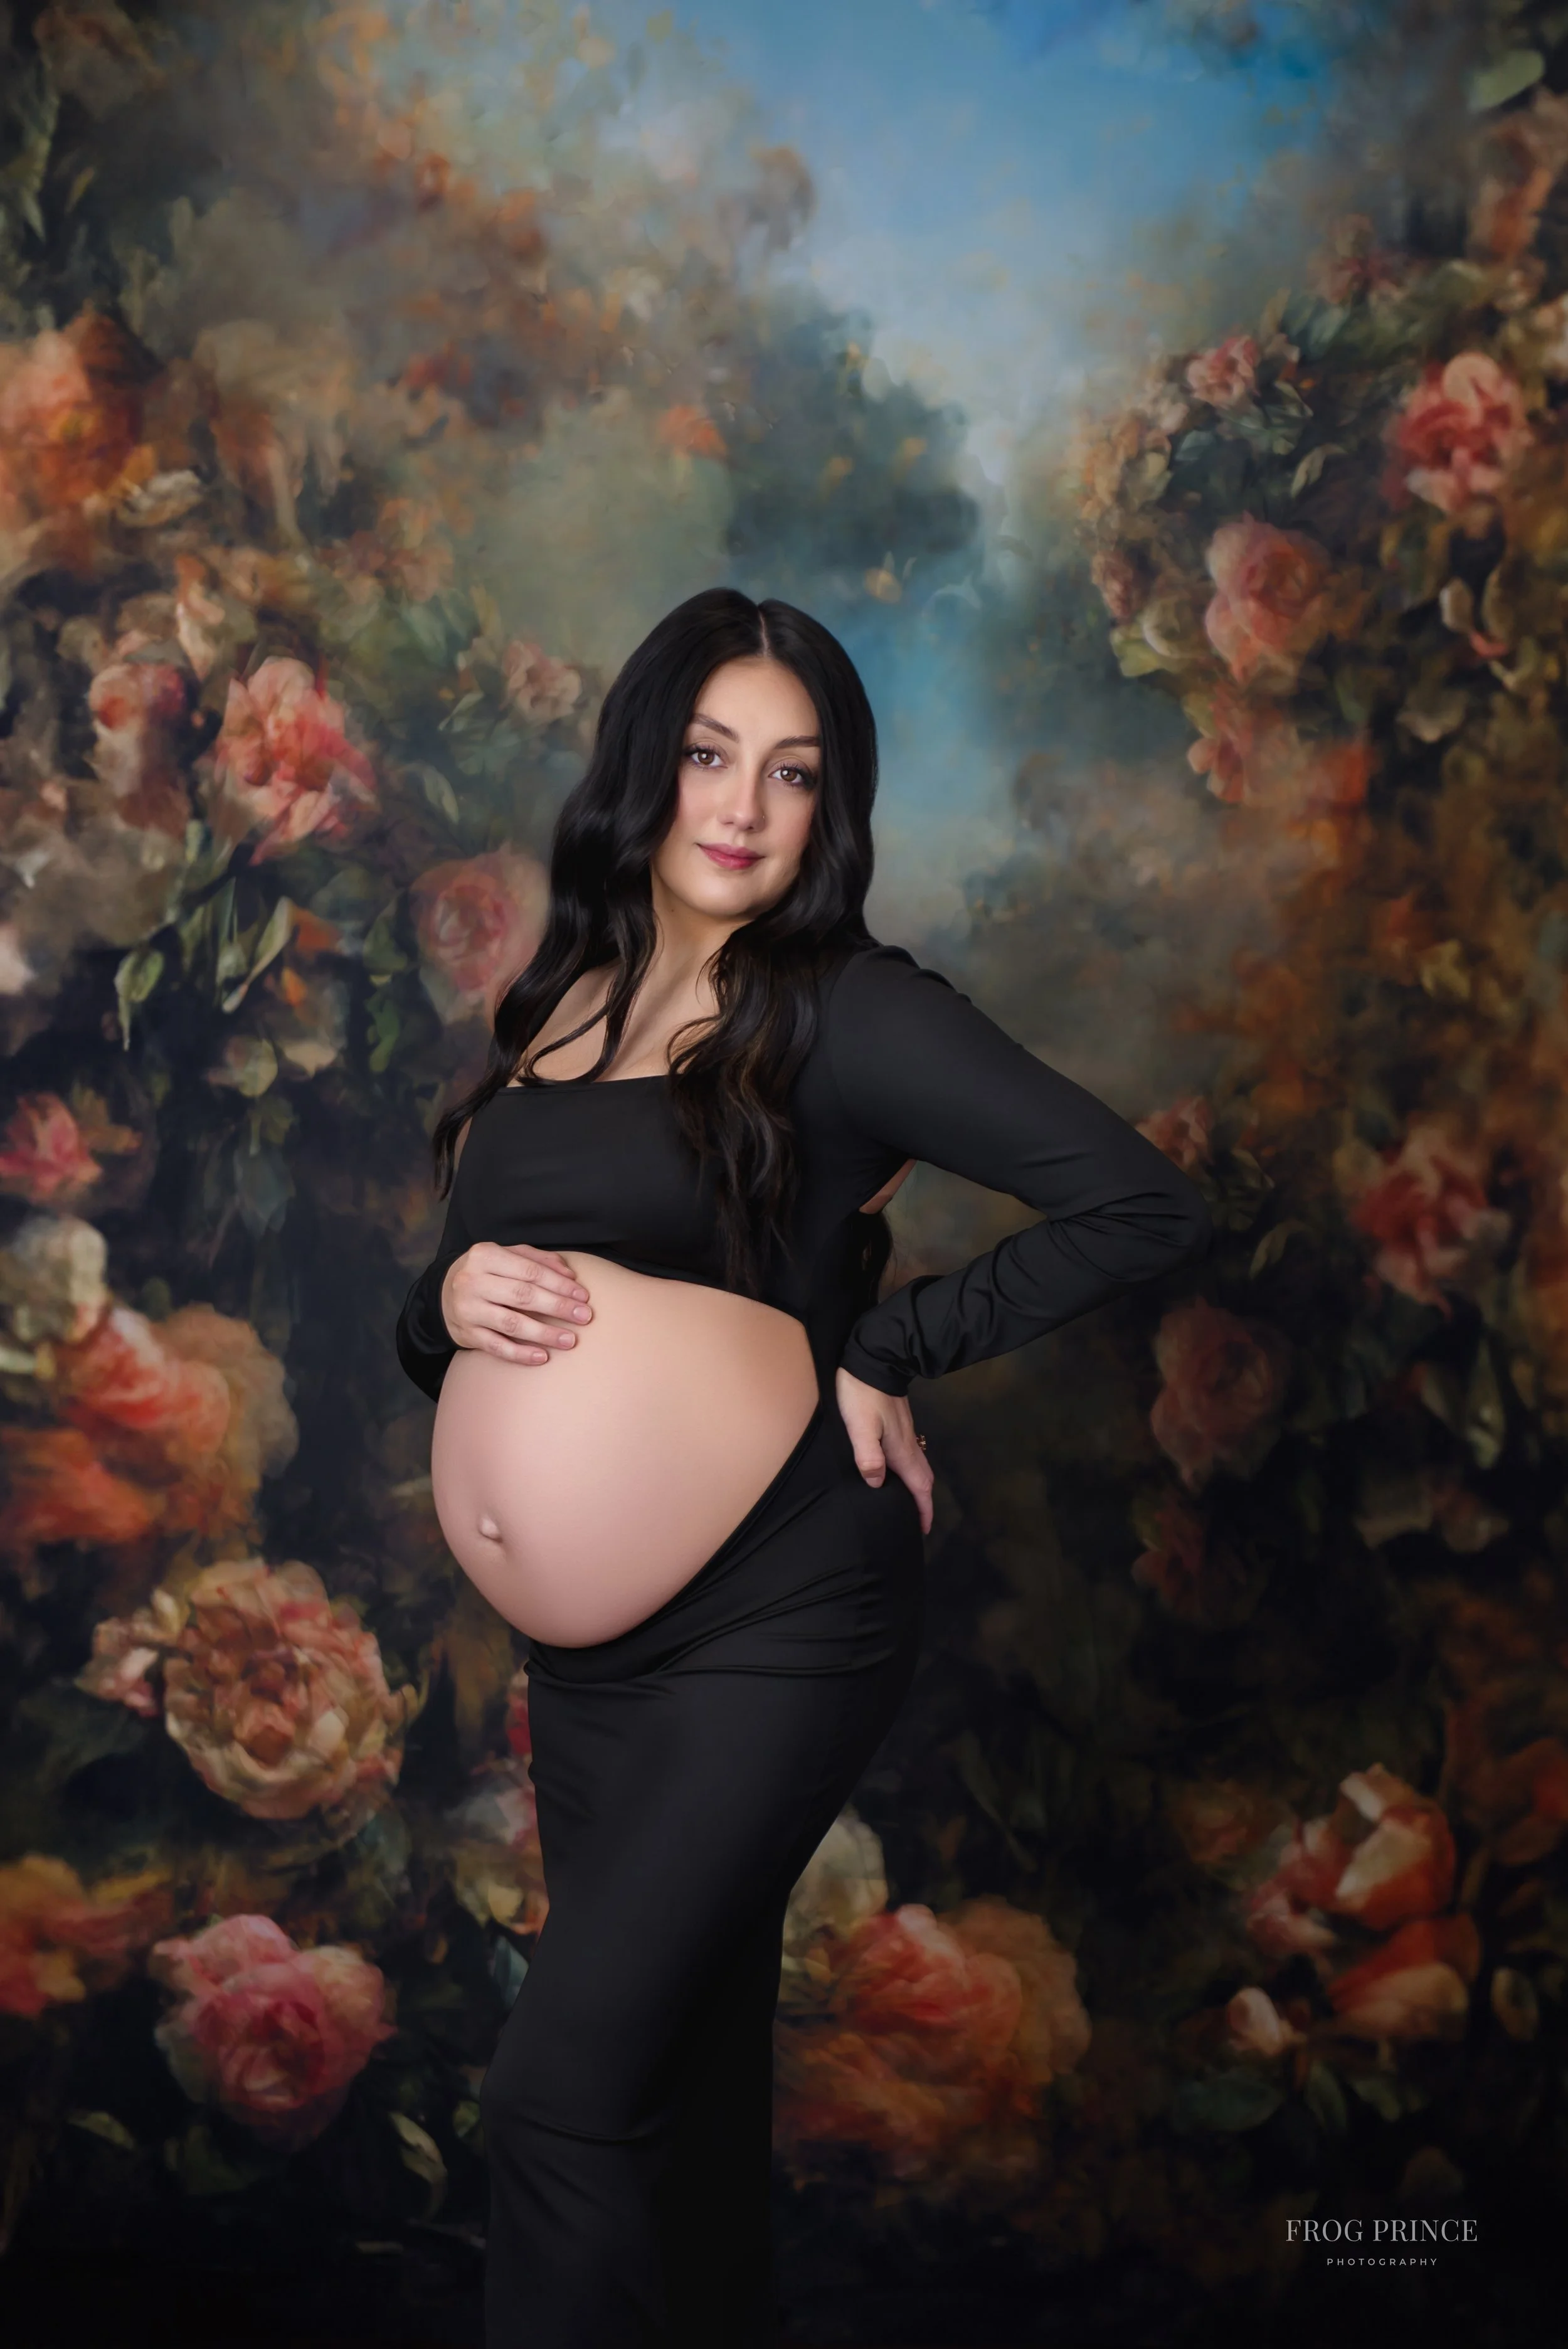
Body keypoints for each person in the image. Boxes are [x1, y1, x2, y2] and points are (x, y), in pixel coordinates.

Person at [394, 585, 1214, 2347]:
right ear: (645, 768)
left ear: (830, 808)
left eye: (792, 771)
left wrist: (885, 1346)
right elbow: (472, 1313)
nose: (741, 809)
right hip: (593, 1659)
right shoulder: (564, 994)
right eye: (705, 756)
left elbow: (1143, 1200)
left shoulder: (848, 1009)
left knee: (558, 2097)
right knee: (672, 2107)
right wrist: (441, 1294)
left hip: (775, 1613)